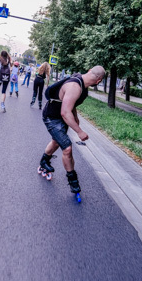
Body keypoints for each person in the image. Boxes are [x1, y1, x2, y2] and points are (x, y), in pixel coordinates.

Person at [38, 66, 105, 198]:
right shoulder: (75, 86)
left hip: (61, 117)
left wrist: (76, 118)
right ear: (99, 81)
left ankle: (44, 161)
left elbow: (71, 104)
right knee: (67, 148)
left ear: (90, 70)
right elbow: (65, 112)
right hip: (52, 117)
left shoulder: (82, 86)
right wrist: (79, 131)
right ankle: (73, 181)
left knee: (56, 142)